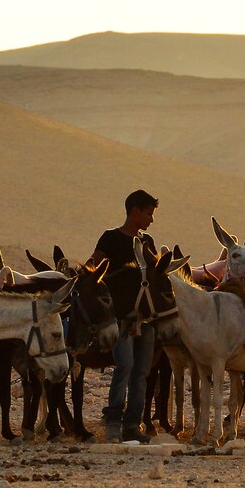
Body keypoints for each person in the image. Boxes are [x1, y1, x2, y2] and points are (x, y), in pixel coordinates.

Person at [91, 189, 159, 444]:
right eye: (149, 214)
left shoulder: (147, 243)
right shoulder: (110, 239)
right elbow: (92, 269)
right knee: (125, 366)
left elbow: (155, 273)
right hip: (120, 318)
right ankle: (113, 422)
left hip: (146, 319)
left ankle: (133, 424)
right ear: (135, 211)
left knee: (141, 372)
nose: (151, 220)